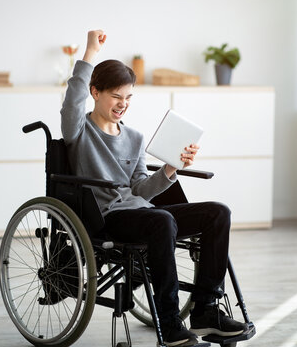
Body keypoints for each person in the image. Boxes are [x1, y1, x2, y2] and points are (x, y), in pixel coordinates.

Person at [61, 30, 247, 347]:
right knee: (162, 220)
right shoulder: (79, 129)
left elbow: (140, 189)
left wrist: (171, 167)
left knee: (218, 213)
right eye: (116, 97)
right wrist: (90, 52)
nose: (123, 105)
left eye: (129, 98)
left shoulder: (134, 137)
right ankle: (171, 323)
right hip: (106, 217)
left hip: (141, 212)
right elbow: (72, 98)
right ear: (95, 92)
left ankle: (205, 310)